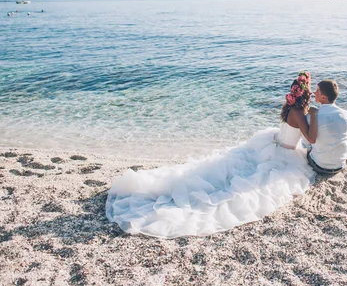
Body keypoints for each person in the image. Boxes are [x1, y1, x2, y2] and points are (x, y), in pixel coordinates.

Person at [106, 72, 316, 238]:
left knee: (241, 169)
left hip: (273, 143)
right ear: (305, 95)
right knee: (250, 184)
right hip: (284, 152)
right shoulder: (301, 112)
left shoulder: (289, 108)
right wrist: (315, 118)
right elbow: (310, 139)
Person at [306, 79, 347, 175]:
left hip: (319, 166)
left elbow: (306, 142)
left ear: (324, 97)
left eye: (317, 91)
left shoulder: (312, 116)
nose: (314, 92)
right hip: (340, 165)